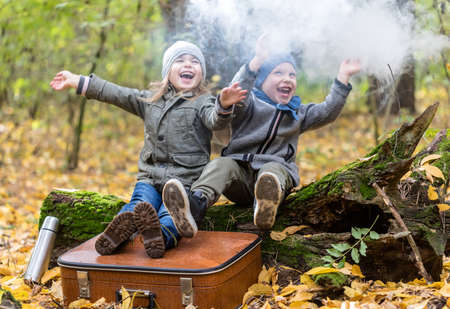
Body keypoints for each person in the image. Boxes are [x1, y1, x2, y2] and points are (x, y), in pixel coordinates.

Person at [50, 41, 246, 258]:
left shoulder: (203, 102)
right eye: (180, 60)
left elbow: (215, 121)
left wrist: (224, 106)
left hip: (182, 183)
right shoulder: (150, 100)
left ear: (201, 74)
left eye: (195, 62)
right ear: (167, 71)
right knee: (139, 205)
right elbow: (116, 93)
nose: (188, 65)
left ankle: (161, 236)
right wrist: (78, 81)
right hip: (150, 178)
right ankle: (117, 234)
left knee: (170, 214)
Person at [162, 37, 361, 237]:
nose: (287, 78)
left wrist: (343, 77)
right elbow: (238, 89)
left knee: (272, 170)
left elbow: (328, 111)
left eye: (292, 74)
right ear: (262, 80)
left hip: (275, 176)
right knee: (221, 164)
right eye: (278, 73)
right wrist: (256, 61)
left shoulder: (298, 113)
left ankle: (265, 205)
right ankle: (195, 205)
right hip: (239, 177)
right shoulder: (249, 103)